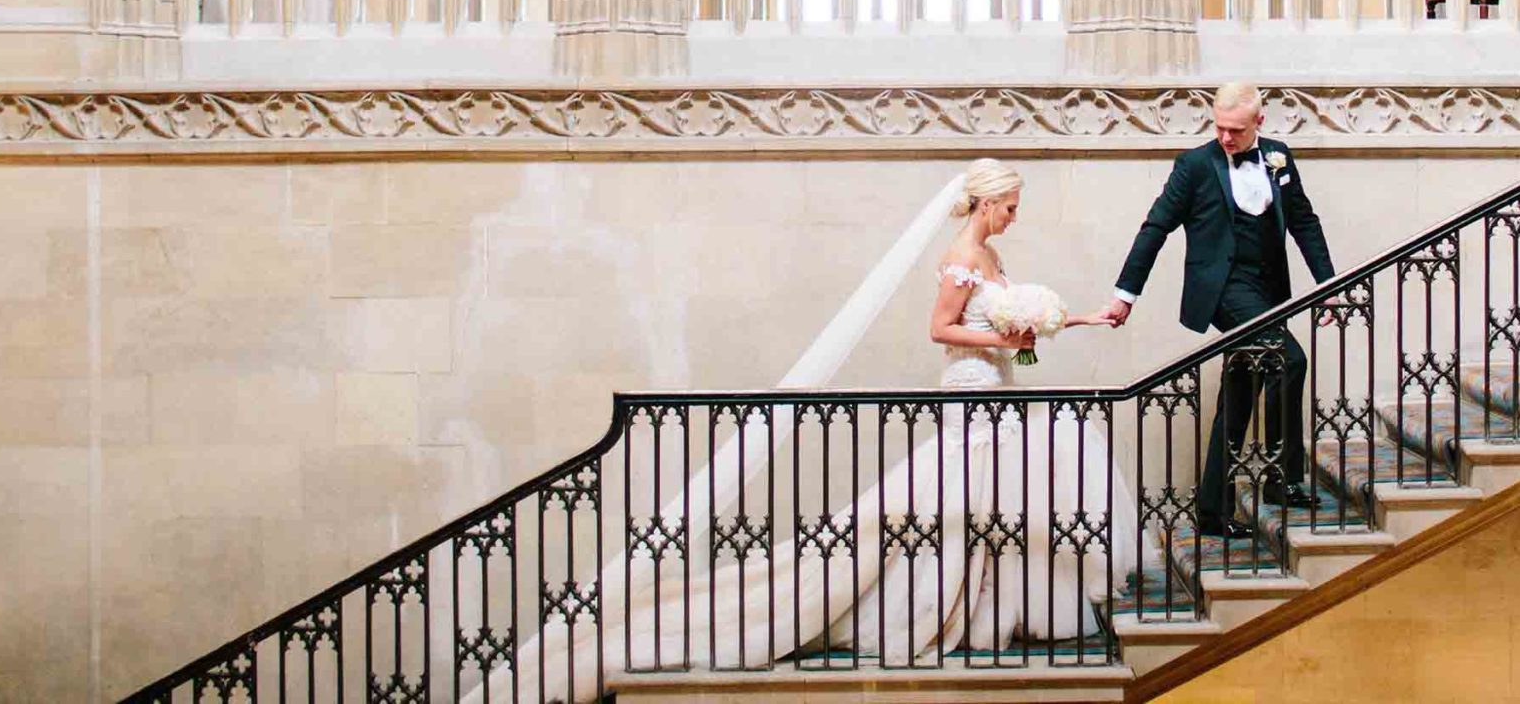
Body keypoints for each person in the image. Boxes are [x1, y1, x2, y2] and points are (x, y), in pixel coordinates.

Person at [474, 160, 1137, 698]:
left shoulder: (990, 255)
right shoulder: (961, 256)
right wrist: (1000, 334)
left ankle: (983, 604)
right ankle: (944, 607)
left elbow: (1015, 341)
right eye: (1010, 206)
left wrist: (1064, 324)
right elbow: (939, 329)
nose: (1014, 216)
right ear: (986, 203)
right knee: (958, 505)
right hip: (969, 390)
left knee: (992, 508)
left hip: (998, 384)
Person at [1105, 82, 1335, 538]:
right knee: (1290, 361)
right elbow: (1156, 228)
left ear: (1259, 124)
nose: (1226, 138)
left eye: (1236, 130)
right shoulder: (1193, 166)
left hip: (1270, 290)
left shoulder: (1279, 156)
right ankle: (1282, 477)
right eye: (1219, 127)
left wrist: (1328, 285)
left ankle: (1213, 509)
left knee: (1240, 393)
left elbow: (1304, 221)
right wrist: (1125, 294)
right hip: (1225, 291)